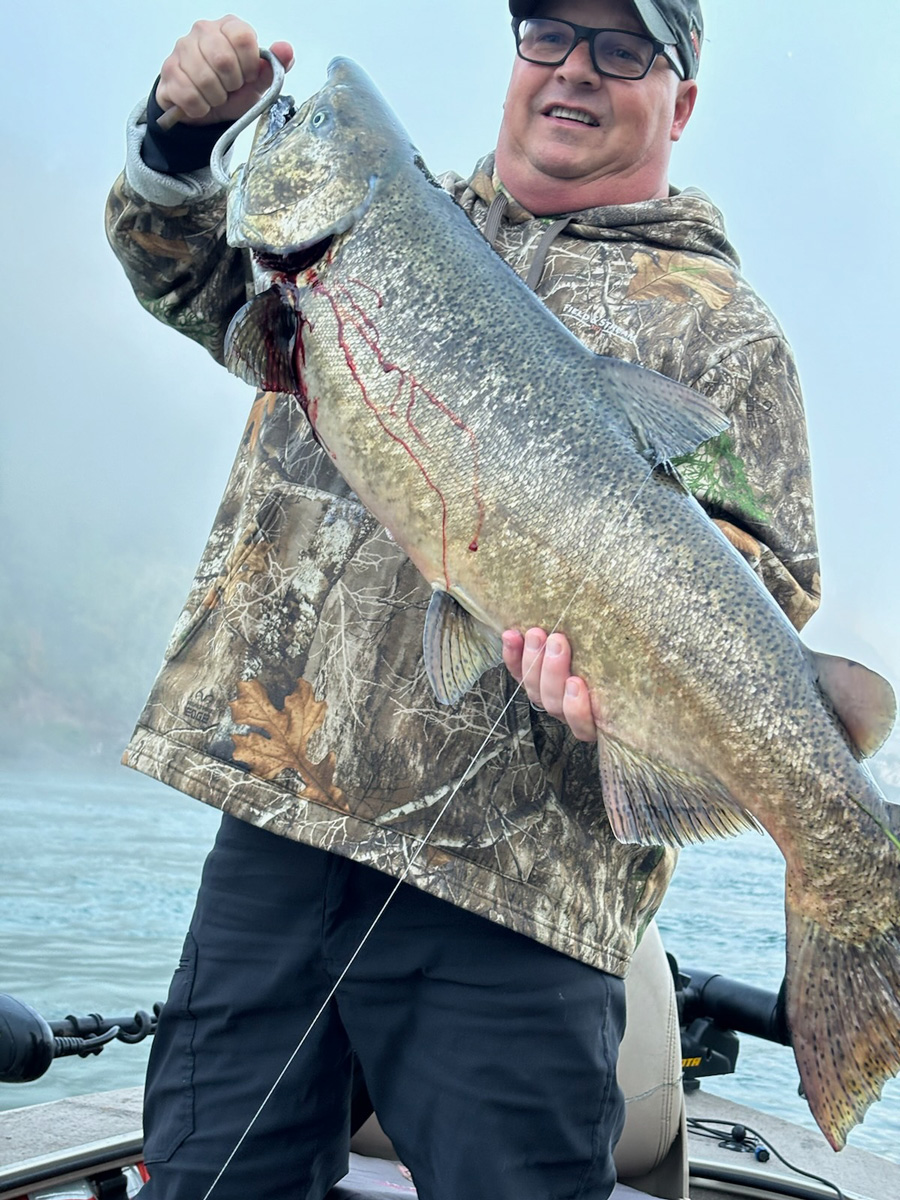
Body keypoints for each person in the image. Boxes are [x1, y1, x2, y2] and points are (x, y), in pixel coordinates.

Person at [105, 2, 820, 1198]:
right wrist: (179, 141)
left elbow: (762, 587)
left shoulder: (725, 337)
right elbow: (185, 279)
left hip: (520, 901)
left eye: (624, 48)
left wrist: (625, 680)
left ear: (680, 102)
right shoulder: (369, 233)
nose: (574, 71)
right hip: (279, 831)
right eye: (549, 32)